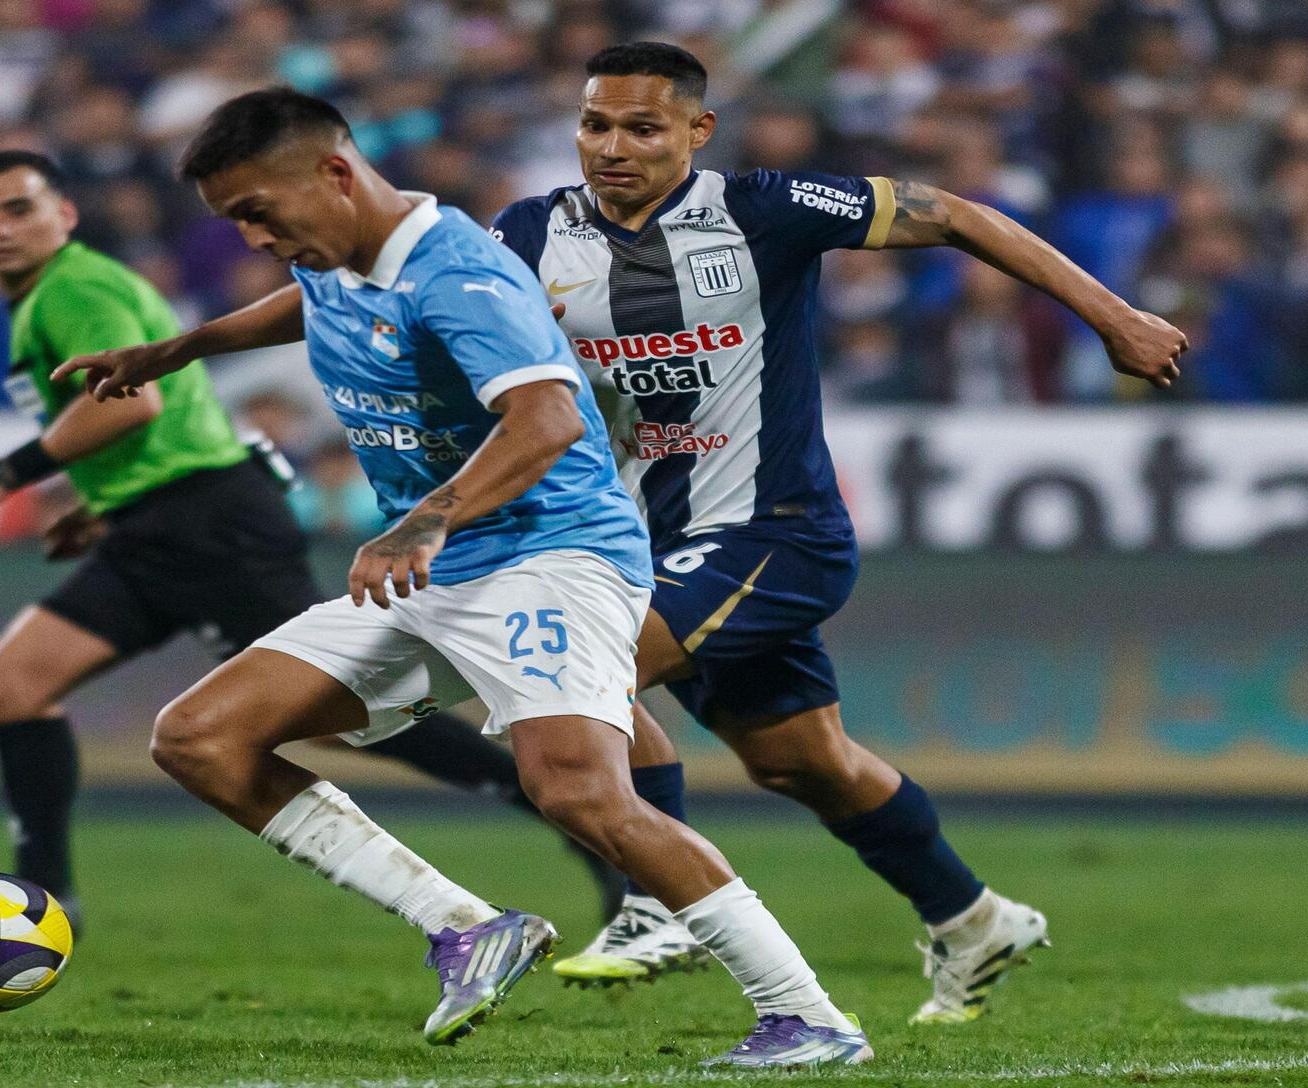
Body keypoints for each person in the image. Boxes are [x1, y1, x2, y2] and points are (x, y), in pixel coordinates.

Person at [53, 88, 874, 1067]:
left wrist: (425, 518)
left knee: (580, 794)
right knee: (201, 737)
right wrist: (178, 347)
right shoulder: (339, 256)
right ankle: (463, 925)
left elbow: (548, 420)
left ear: (335, 173)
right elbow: (305, 302)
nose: (255, 235)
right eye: (235, 219)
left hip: (550, 556)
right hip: (441, 570)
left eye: (258, 211)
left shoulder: (459, 273)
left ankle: (808, 1014)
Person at [488, 42, 1185, 1023]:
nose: (612, 146)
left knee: (584, 668)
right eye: (596, 124)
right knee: (802, 760)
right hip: (646, 541)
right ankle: (973, 913)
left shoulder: (761, 209)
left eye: (643, 127)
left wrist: (1113, 319)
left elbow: (955, 214)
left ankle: (657, 901)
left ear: (697, 131)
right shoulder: (528, 231)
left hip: (772, 530)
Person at [0, 150, 622, 935]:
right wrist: (102, 498)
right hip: (149, 524)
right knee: (13, 683)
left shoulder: (77, 287)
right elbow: (150, 414)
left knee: (335, 717)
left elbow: (130, 407)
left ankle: (566, 814)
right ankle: (43, 898)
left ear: (65, 217)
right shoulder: (40, 298)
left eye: (18, 208)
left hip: (212, 526)